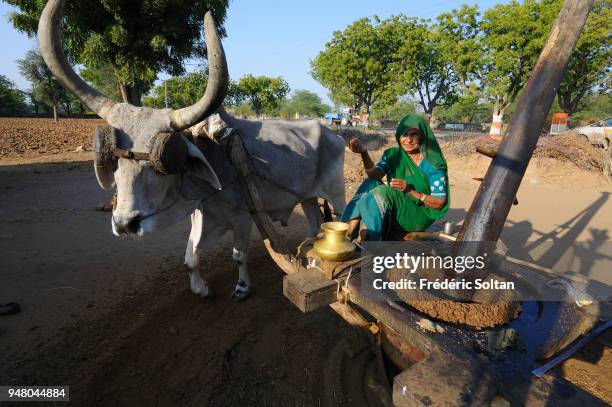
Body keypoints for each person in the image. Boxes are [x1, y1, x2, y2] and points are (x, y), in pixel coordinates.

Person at [341, 114, 449, 241]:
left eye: (413, 134)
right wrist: (364, 153)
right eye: (404, 135)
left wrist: (409, 191)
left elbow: (439, 203)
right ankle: (347, 233)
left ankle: (366, 239)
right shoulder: (392, 155)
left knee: (383, 191)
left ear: (423, 135)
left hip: (419, 214)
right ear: (398, 136)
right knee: (370, 183)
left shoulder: (433, 164)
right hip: (397, 208)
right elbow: (375, 175)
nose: (408, 140)